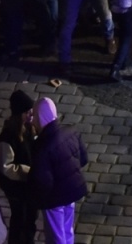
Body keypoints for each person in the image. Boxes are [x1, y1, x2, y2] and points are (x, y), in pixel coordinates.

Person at [28, 97, 87, 244]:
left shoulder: (41, 147)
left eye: (35, 116)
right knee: (67, 229)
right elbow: (83, 159)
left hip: (54, 199)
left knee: (56, 236)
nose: (32, 121)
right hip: (72, 190)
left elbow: (43, 181)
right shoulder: (72, 131)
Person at [0, 90, 35, 244]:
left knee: (30, 218)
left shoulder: (30, 128)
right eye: (27, 112)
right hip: (16, 188)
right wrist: (29, 172)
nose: (31, 115)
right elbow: (7, 167)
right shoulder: (8, 137)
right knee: (20, 219)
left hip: (29, 184)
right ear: (19, 114)